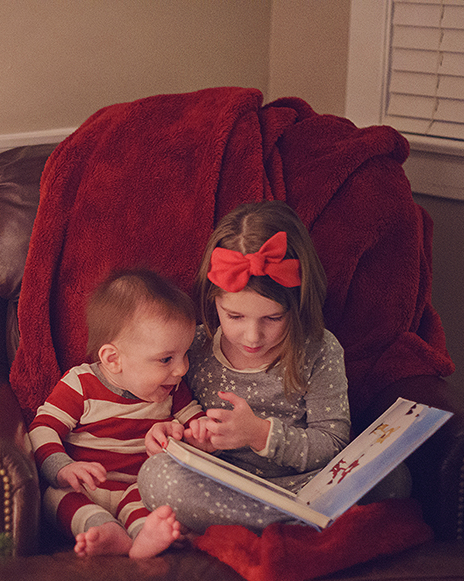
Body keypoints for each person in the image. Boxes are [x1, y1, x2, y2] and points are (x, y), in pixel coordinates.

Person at [139, 200, 379, 532]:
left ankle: (289, 521)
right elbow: (167, 409)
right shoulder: (192, 347)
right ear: (213, 300)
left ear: (297, 305)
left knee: (393, 476)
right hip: (225, 488)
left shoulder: (318, 350)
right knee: (156, 476)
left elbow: (332, 443)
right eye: (235, 316)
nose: (253, 335)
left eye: (273, 318)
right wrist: (174, 437)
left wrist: (260, 434)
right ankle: (296, 526)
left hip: (304, 485)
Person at [29, 269, 209, 558]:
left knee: (153, 507)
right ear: (113, 359)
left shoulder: (173, 389)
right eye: (166, 359)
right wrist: (62, 468)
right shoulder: (80, 384)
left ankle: (143, 538)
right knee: (56, 498)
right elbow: (42, 428)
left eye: (185, 354)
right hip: (84, 484)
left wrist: (200, 432)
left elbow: (196, 422)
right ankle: (103, 530)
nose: (182, 369)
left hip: (138, 486)